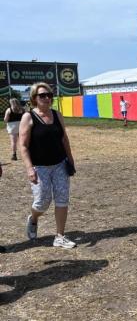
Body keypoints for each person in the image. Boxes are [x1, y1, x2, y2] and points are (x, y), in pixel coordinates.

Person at [18, 82, 76, 249]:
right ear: (34, 98)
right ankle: (34, 218)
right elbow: (23, 145)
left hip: (60, 164)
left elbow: (64, 138)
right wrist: (29, 168)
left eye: (49, 95)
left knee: (62, 199)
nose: (47, 98)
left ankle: (60, 236)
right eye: (42, 95)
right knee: (43, 201)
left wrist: (70, 159)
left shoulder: (57, 115)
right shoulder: (28, 117)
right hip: (39, 166)